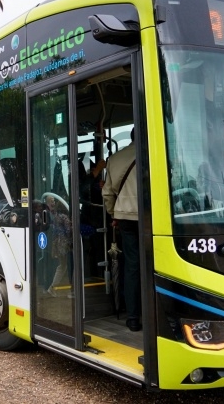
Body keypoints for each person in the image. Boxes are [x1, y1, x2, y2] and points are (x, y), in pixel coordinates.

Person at [102, 129, 142, 331]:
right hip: (150, 217)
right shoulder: (152, 153)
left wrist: (113, 214)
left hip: (125, 217)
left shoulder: (114, 159)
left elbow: (107, 194)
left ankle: (133, 317)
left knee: (132, 265)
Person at [45, 195, 73, 298]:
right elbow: (68, 231)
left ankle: (52, 288)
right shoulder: (63, 217)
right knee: (64, 266)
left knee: (62, 266)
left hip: (58, 245)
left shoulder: (56, 216)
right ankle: (52, 287)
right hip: (64, 245)